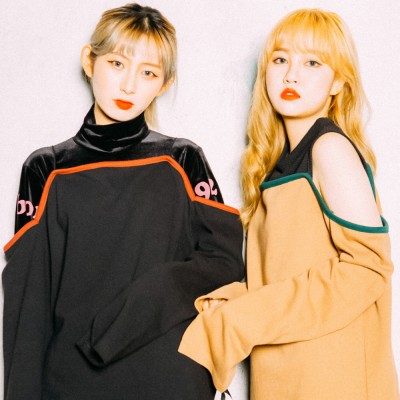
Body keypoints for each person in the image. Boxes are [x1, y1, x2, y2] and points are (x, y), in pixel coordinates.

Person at [3, 3, 244, 399]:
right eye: (117, 64)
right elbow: (28, 304)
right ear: (89, 61)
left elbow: (225, 262)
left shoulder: (183, 159)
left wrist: (141, 306)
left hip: (170, 379)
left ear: (164, 84)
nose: (129, 85)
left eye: (148, 73)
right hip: (72, 384)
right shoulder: (47, 168)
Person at [179, 8, 399, 400]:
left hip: (334, 382)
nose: (291, 75)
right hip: (286, 380)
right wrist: (235, 298)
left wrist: (241, 318)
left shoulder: (330, 149)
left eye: (312, 62)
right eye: (280, 60)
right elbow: (287, 280)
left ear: (338, 82)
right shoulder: (274, 168)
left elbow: (367, 269)